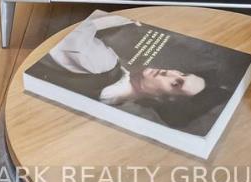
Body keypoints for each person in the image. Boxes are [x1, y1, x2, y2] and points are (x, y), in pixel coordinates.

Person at [39, 14, 216, 130]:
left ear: (162, 99)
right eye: (182, 74)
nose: (170, 73)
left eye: (176, 83)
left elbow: (65, 30)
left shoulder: (104, 65)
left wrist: (121, 18)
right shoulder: (111, 96)